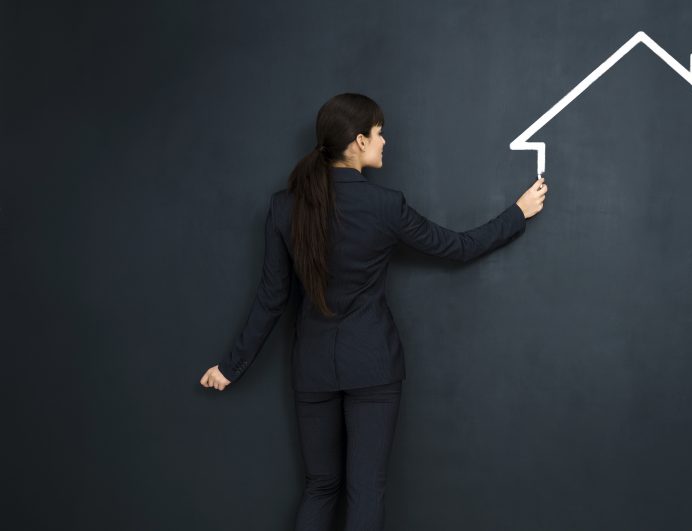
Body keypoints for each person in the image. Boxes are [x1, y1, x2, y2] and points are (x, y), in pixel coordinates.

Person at [198, 92, 547, 531]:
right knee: (366, 490)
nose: (385, 142)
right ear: (359, 141)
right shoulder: (385, 206)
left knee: (319, 487)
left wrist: (231, 367)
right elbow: (457, 248)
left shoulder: (283, 207)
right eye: (380, 134)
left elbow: (272, 298)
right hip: (374, 366)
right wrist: (517, 213)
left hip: (313, 368)